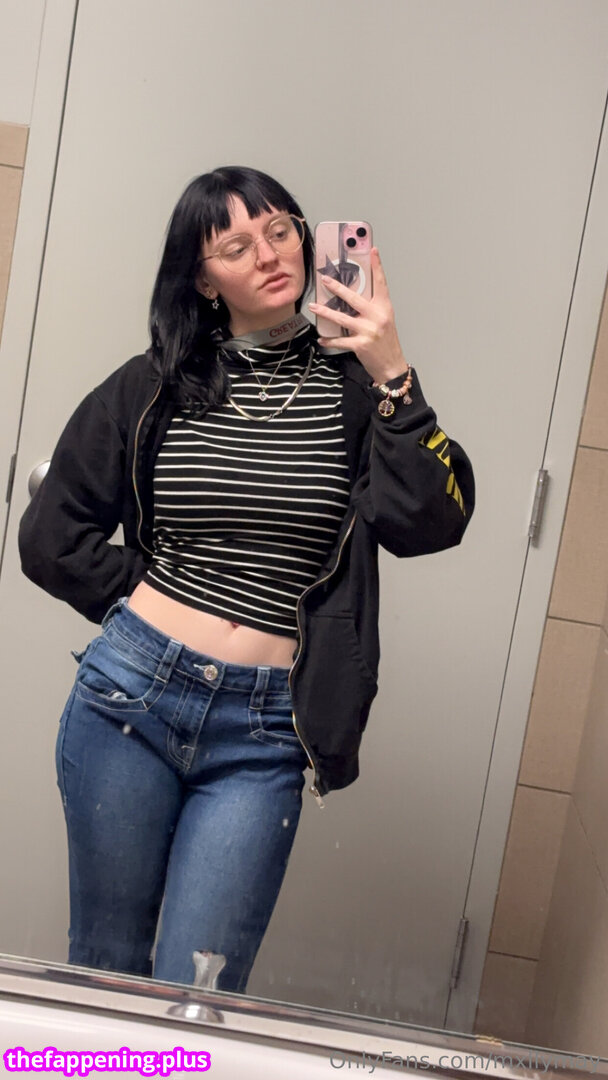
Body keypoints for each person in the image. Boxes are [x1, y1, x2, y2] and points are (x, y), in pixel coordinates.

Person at [18, 166, 475, 993]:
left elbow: (431, 523)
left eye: (280, 230)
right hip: (129, 702)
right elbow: (51, 537)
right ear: (203, 279)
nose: (268, 254)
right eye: (235, 246)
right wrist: (148, 595)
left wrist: (392, 369)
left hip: (262, 732)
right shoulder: (153, 384)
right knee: (106, 974)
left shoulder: (357, 389)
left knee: (201, 994)